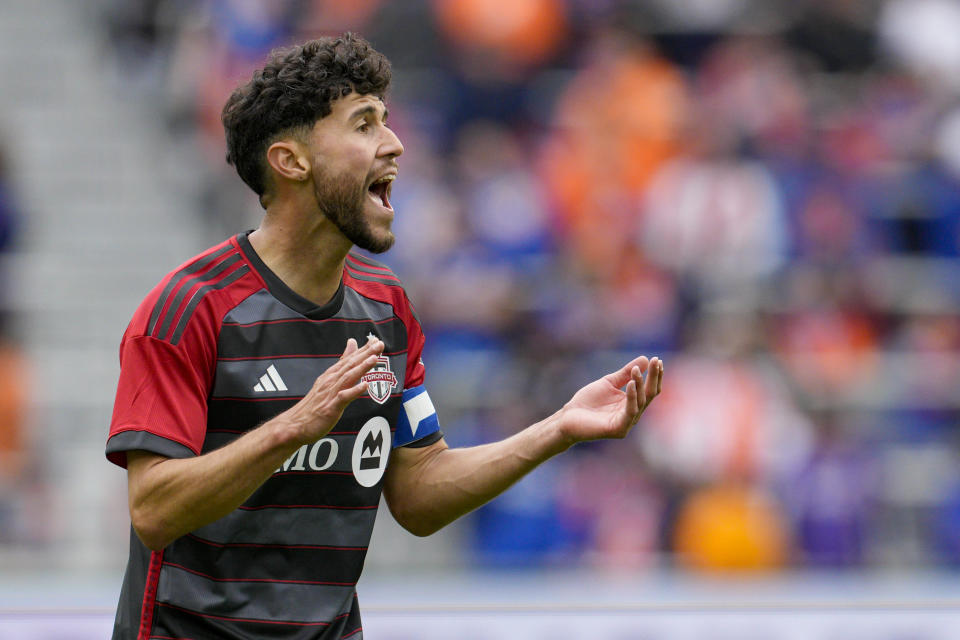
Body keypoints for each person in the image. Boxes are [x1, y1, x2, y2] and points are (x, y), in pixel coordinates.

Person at [105, 33, 664, 640]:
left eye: (387, 121)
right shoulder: (190, 307)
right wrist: (297, 425)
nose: (395, 144)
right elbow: (153, 509)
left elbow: (420, 491)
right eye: (364, 124)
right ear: (292, 161)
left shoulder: (386, 306)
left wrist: (557, 428)